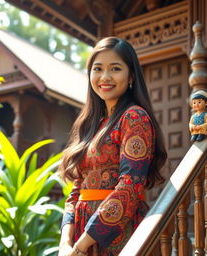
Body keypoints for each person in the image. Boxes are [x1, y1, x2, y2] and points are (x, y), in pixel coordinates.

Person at [58, 37, 167, 256]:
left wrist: (83, 244)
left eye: (115, 68)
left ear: (131, 76)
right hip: (81, 235)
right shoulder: (93, 124)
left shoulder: (134, 117)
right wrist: (65, 242)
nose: (105, 77)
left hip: (118, 233)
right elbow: (77, 187)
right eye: (97, 69)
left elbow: (130, 186)